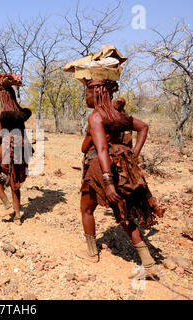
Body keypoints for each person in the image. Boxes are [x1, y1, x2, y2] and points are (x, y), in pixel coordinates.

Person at [78, 79, 164, 278]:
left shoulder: (96, 116)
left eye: (87, 93)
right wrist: (132, 154)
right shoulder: (119, 115)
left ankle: (92, 253)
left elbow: (100, 149)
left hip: (99, 169)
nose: (85, 97)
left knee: (86, 208)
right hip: (122, 168)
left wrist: (108, 183)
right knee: (124, 213)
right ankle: (148, 263)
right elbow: (143, 127)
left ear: (97, 92)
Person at [0, 73, 33, 225]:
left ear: (3, 97)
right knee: (14, 181)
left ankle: (7, 204)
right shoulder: (20, 112)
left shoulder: (1, 113)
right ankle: (18, 215)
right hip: (20, 147)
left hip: (6, 147)